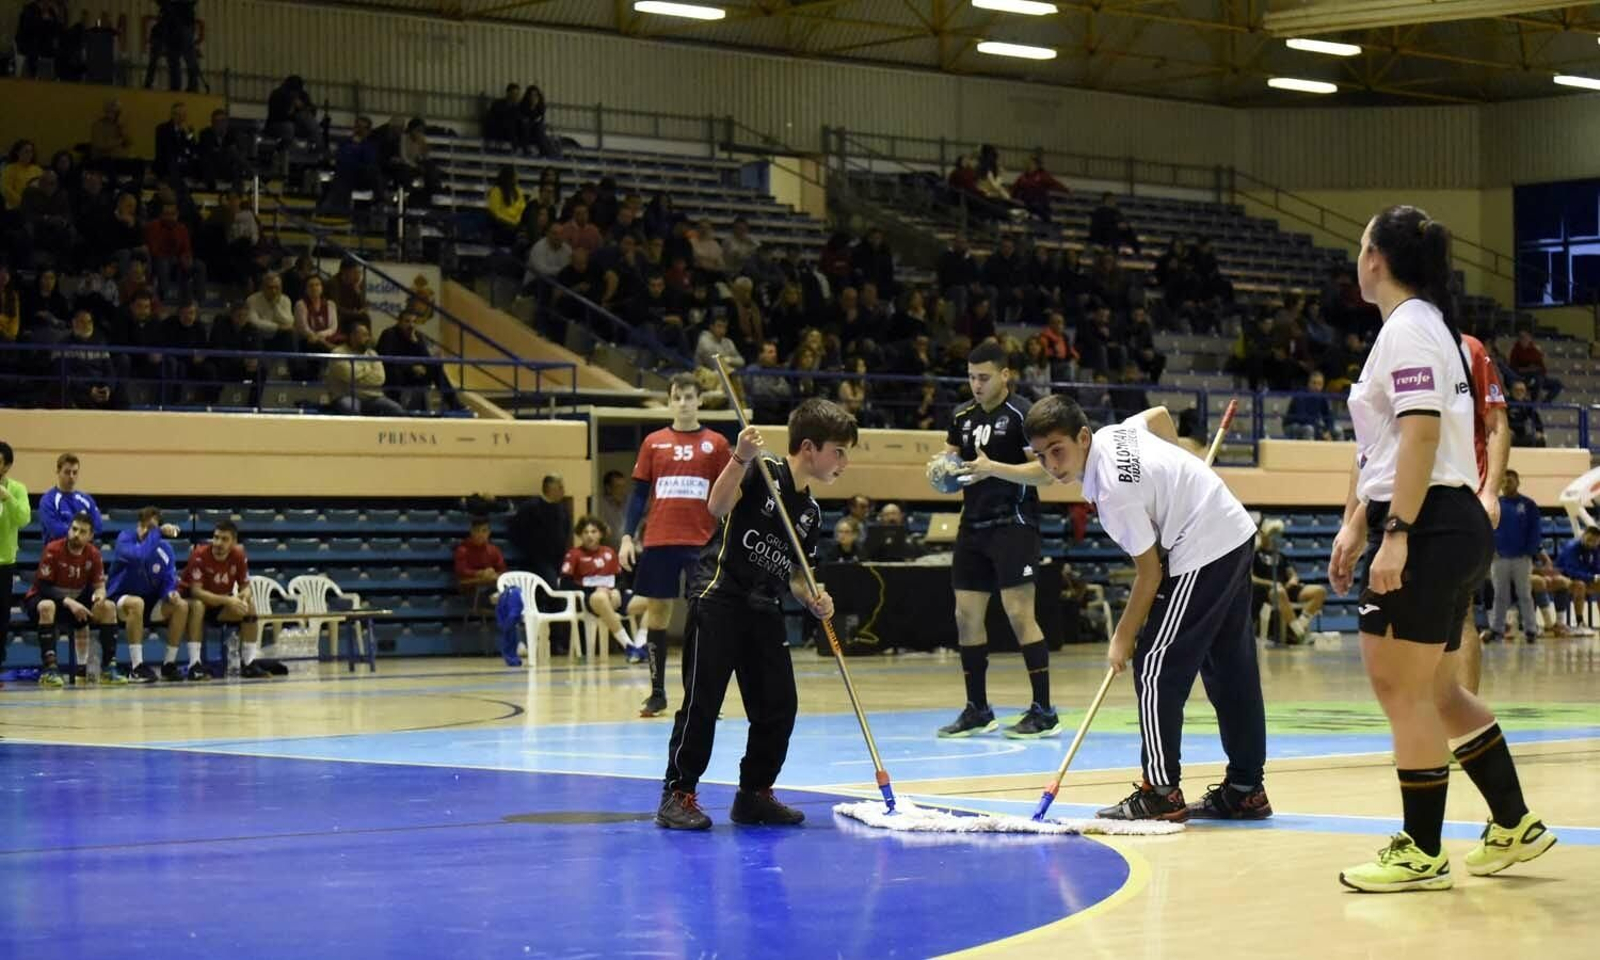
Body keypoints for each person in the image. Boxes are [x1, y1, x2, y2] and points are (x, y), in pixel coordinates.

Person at [1327, 206, 1553, 892]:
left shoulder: (1411, 329)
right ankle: (1513, 822)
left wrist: (1396, 531)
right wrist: (1359, 520)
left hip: (1429, 522)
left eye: (1360, 247)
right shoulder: (1425, 328)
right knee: (1440, 690)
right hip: (1443, 519)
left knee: (1401, 690)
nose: (1356, 258)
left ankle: (1421, 848)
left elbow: (1421, 436)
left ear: (1376, 260)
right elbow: (1394, 444)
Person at [1026, 397, 1270, 822]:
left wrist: (1122, 637)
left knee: (1155, 663)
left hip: (1203, 545)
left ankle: (1160, 792)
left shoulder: (1111, 492)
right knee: (1231, 667)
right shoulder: (1114, 433)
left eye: (1057, 450)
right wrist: (1183, 474)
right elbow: (1159, 416)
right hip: (1231, 528)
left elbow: (1150, 574)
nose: (1051, 464)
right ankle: (1246, 789)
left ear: (1082, 438)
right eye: (1041, 455)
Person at [655, 398, 854, 830]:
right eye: (838, 451)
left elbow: (799, 574)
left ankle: (754, 794)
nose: (844, 462)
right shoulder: (762, 468)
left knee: (779, 705)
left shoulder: (811, 512)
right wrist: (739, 457)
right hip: (719, 596)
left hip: (764, 606)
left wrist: (813, 597)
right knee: (703, 701)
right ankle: (678, 793)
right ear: (808, 447)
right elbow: (717, 506)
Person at [934, 341, 1059, 740]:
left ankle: (1043, 710)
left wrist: (994, 469)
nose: (976, 385)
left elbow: (1046, 473)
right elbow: (950, 461)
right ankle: (978, 709)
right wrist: (938, 471)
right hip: (973, 525)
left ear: (1005, 375)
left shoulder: (1025, 414)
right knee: (964, 616)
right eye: (971, 377)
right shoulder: (963, 416)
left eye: (984, 377)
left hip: (1014, 523)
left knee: (1019, 613)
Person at [620, 374, 732, 715]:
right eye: (677, 397)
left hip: (702, 542)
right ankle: (657, 693)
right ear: (670, 401)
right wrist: (627, 536)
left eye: (688, 396)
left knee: (704, 618)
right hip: (660, 539)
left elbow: (729, 494)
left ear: (699, 400)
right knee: (658, 615)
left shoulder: (717, 443)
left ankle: (699, 696)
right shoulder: (654, 442)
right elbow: (639, 494)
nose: (683, 402)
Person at [24, 511, 121, 687]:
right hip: (45, 601)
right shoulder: (53, 549)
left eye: (82, 531)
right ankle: (50, 670)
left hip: (76, 604)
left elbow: (100, 586)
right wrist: (69, 602)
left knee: (109, 607)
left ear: (91, 536)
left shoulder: (93, 554)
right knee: (47, 606)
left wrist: (100, 596)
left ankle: (109, 668)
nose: (76, 534)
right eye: (74, 529)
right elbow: (43, 587)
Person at [108, 505, 190, 682]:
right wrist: (157, 532)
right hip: (122, 600)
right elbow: (140, 556)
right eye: (143, 526)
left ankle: (169, 665)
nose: (146, 531)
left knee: (181, 606)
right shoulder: (125, 539)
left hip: (150, 602)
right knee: (136, 602)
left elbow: (169, 578)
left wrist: (170, 593)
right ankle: (136, 667)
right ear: (138, 525)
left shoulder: (165, 549)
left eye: (151, 527)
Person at [183, 520, 264, 678]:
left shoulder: (239, 555)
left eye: (224, 539)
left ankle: (248, 663)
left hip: (219, 606)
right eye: (216, 537)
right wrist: (228, 600)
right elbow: (196, 592)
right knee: (199, 605)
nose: (218, 543)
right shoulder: (199, 555)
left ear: (234, 541)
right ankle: (195, 664)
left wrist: (244, 596)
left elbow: (246, 586)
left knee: (250, 607)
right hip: (193, 605)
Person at [561, 517, 638, 657]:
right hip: (591, 600)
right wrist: (593, 590)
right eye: (585, 532)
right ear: (580, 535)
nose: (589, 535)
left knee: (651, 600)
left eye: (593, 531)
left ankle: (640, 644)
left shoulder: (609, 552)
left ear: (601, 534)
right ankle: (628, 645)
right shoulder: (574, 555)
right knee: (601, 597)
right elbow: (565, 584)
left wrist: (616, 590)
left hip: (614, 597)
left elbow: (621, 579)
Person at [1486, 470, 1542, 649]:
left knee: (1525, 595)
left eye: (1510, 480)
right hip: (1499, 558)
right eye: (1504, 481)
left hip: (1522, 558)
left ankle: (1531, 630)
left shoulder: (1528, 505)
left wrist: (1529, 552)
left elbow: (1535, 530)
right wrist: (1491, 551)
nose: (1507, 483)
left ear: (1518, 482)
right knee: (1500, 596)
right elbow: (1488, 530)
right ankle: (1496, 630)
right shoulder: (1495, 504)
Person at [1252, 519, 1327, 644]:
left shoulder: (1280, 555)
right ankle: (1300, 634)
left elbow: (1292, 574)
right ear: (1261, 534)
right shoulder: (1254, 554)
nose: (1271, 537)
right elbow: (1251, 577)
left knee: (1319, 591)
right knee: (1280, 592)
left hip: (1286, 588)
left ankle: (1298, 628)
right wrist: (1271, 583)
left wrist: (1293, 580)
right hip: (1266, 591)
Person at [0, 441, 29, 673]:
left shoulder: (17, 489)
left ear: (7, 466)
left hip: (4, 563)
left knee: (1, 618)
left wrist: (7, 497)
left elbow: (24, 519)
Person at [39, 452, 102, 542]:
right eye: (67, 472)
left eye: (75, 472)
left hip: (83, 553)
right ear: (58, 471)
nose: (71, 476)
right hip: (58, 553)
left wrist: (71, 530)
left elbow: (98, 527)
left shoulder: (87, 500)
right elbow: (56, 531)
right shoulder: (48, 500)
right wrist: (83, 531)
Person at [1555, 525, 1600, 630]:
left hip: (1583, 576)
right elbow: (1572, 572)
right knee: (1580, 585)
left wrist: (1597, 576)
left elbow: (1596, 567)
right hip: (1564, 578)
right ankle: (1580, 623)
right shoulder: (1572, 547)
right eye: (1589, 540)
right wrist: (1592, 577)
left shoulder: (1595, 548)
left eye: (1595, 541)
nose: (1591, 543)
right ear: (1583, 535)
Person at [453, 516, 507, 599]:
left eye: (484, 531)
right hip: (471, 589)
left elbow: (502, 570)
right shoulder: (462, 550)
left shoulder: (494, 550)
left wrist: (493, 574)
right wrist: (481, 573)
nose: (480, 534)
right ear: (471, 532)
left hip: (491, 586)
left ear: (489, 532)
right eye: (477, 531)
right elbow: (461, 571)